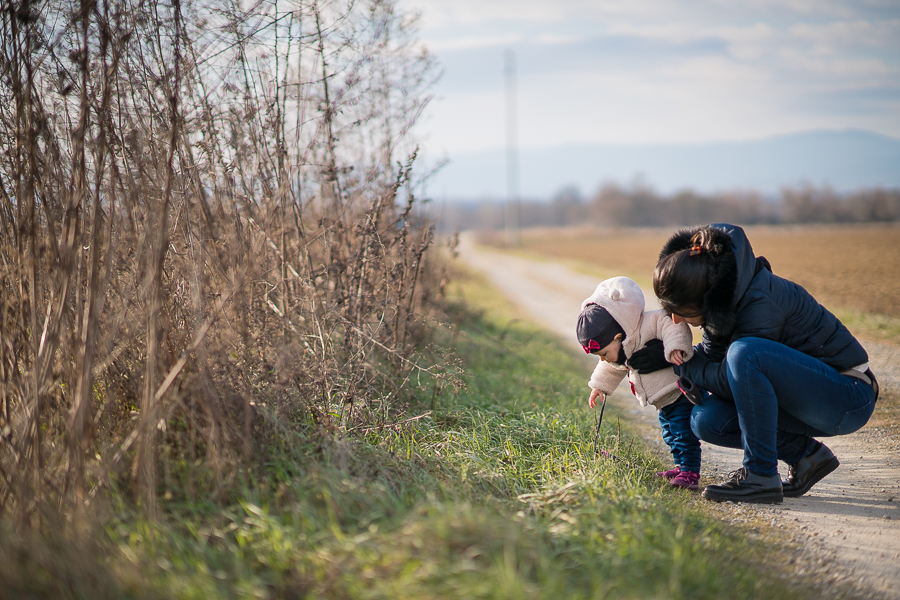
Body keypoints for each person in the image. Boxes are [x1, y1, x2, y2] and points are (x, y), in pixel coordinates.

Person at [646, 223, 878, 504]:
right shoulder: (724, 297)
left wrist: (683, 365)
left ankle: (760, 476)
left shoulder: (759, 301)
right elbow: (715, 361)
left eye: (681, 312)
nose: (676, 321)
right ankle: (808, 458)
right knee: (706, 420)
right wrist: (670, 353)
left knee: (746, 354)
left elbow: (733, 377)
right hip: (810, 397)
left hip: (847, 396)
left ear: (707, 300)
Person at [577, 276, 702, 490]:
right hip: (663, 401)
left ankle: (690, 471)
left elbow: (672, 326)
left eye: (604, 353)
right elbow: (610, 367)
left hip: (679, 392)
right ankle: (681, 467)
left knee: (683, 433)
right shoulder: (621, 348)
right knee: (669, 433)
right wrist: (599, 385)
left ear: (617, 337)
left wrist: (674, 347)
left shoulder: (650, 323)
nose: (604, 359)